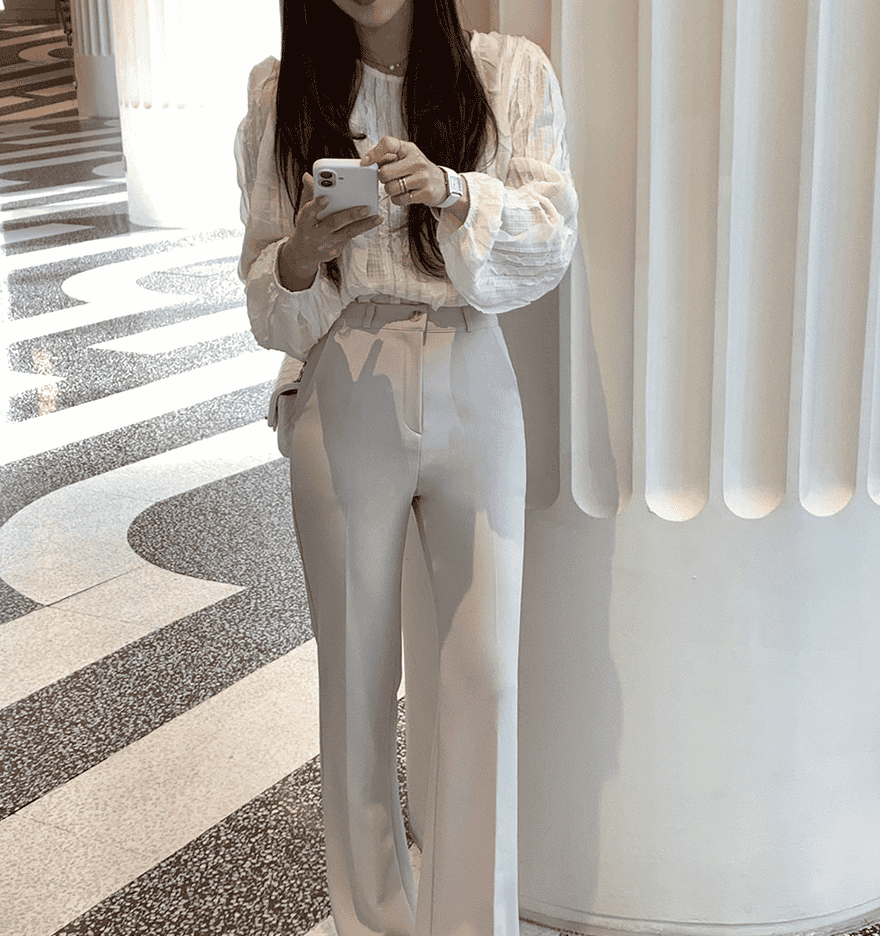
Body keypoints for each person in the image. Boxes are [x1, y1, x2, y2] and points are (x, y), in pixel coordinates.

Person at [235, 1, 578, 934]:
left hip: (472, 370)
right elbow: (266, 298)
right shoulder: (282, 97)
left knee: (486, 676)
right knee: (354, 682)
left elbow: (552, 236)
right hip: (346, 381)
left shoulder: (506, 72)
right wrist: (303, 253)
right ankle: (374, 921)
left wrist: (455, 191)